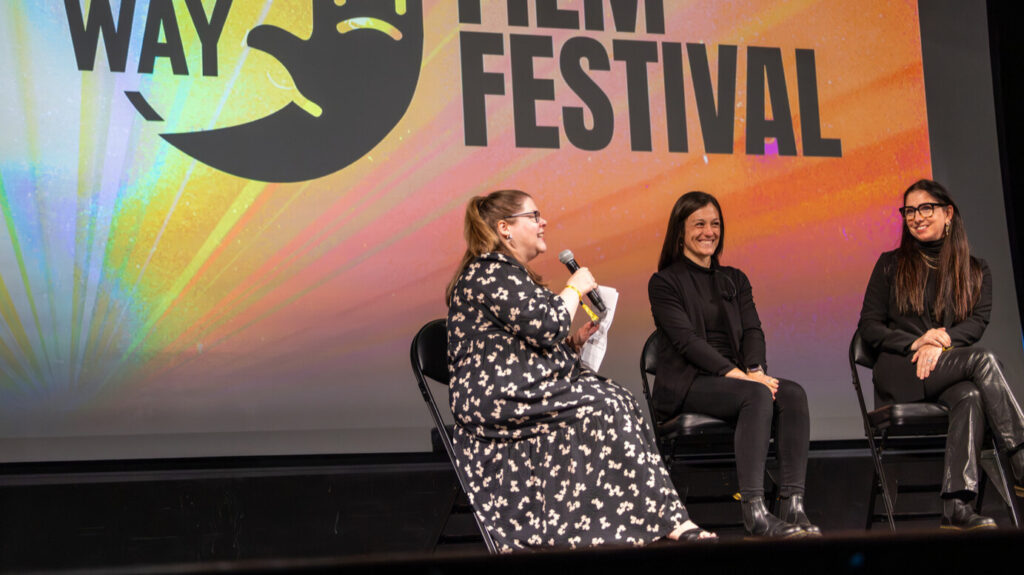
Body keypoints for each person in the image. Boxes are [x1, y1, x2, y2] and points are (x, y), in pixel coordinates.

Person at [445, 189, 714, 551]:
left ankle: (651, 518)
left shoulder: (509, 274)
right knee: (607, 404)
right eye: (534, 216)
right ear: (505, 228)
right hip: (499, 399)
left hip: (520, 388)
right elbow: (545, 324)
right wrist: (574, 288)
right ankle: (660, 520)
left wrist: (572, 344)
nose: (543, 223)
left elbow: (526, 342)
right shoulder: (489, 272)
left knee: (616, 397)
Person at [648, 191, 817, 538]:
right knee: (754, 397)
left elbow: (753, 330)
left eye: (715, 224)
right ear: (680, 232)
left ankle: (792, 507)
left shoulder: (735, 279)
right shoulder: (664, 282)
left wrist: (754, 370)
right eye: (699, 224)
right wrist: (739, 376)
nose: (708, 232)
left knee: (793, 394)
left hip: (736, 380)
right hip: (688, 382)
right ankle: (755, 512)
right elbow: (686, 342)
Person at [858, 178, 1024, 530]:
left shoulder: (976, 270)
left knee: (970, 393)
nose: (916, 217)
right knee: (983, 360)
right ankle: (1020, 458)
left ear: (948, 213)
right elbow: (870, 327)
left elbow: (976, 324)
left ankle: (956, 506)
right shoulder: (890, 265)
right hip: (899, 370)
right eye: (909, 211)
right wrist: (916, 343)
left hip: (946, 371)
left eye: (925, 208)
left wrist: (942, 340)